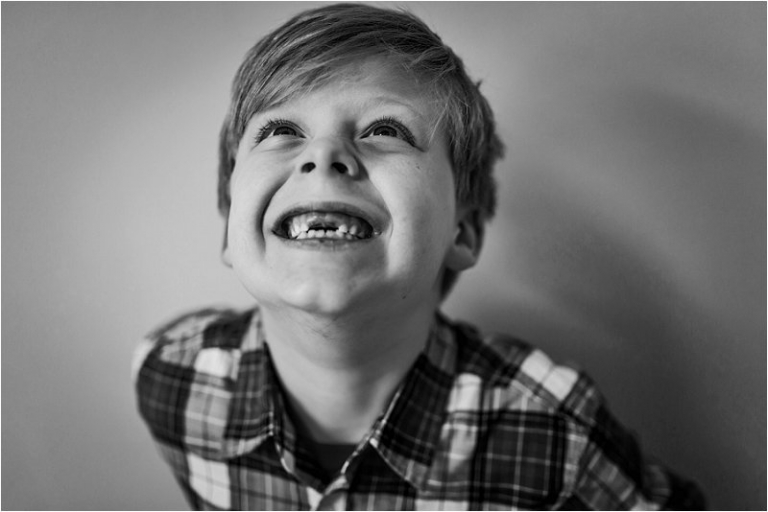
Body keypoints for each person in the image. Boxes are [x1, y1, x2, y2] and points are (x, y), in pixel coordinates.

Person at [133, 4, 705, 510]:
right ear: (230, 227)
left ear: (464, 232)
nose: (325, 155)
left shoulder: (554, 426)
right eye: (281, 129)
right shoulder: (171, 378)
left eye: (385, 130)